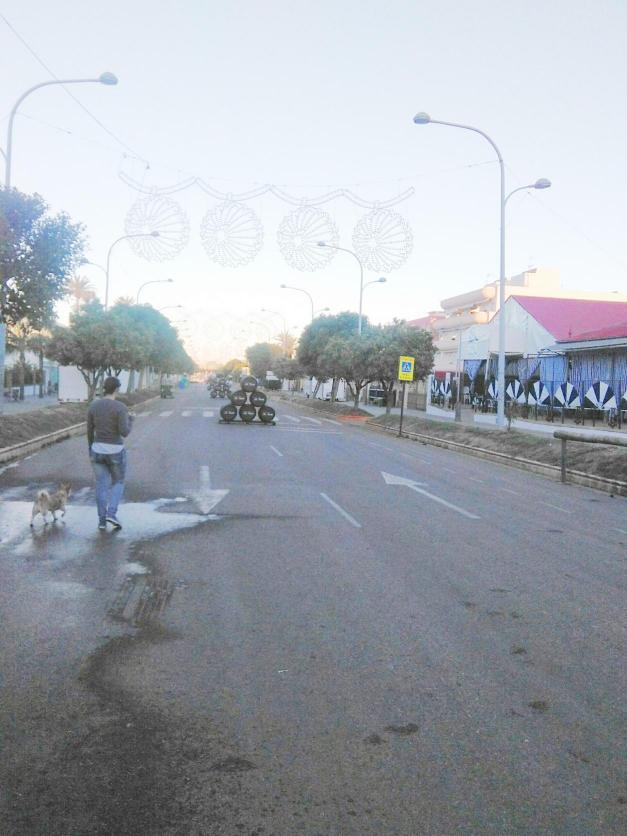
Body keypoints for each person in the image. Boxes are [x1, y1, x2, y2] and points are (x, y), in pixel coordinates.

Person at [87, 376, 134, 531]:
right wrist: (131, 420)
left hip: (97, 450)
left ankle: (101, 521)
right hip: (115, 451)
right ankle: (111, 514)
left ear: (104, 388)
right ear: (117, 389)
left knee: (101, 486)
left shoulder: (94, 406)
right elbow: (124, 432)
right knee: (118, 482)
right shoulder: (121, 407)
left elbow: (89, 431)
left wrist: (90, 450)